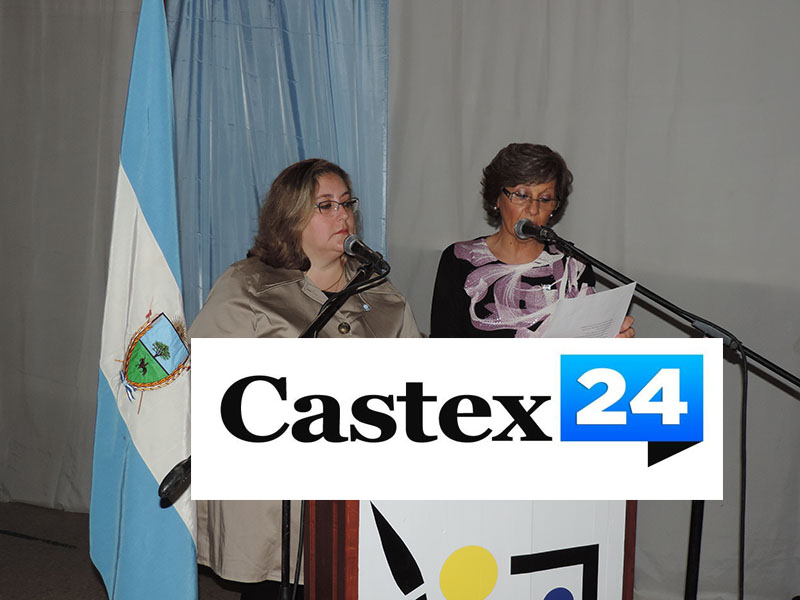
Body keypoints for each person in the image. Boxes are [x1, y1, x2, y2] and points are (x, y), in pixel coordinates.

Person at [189, 158, 421, 598]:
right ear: (291, 216)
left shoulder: (383, 296)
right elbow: (208, 379)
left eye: (347, 203)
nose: (343, 215)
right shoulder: (248, 285)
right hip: (272, 492)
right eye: (325, 205)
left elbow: (418, 385)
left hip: (359, 480)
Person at [430, 143, 634, 338]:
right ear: (496, 199)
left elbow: (583, 350)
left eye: (545, 199)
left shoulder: (573, 265)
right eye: (521, 195)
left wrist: (609, 347)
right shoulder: (460, 260)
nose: (533, 209)